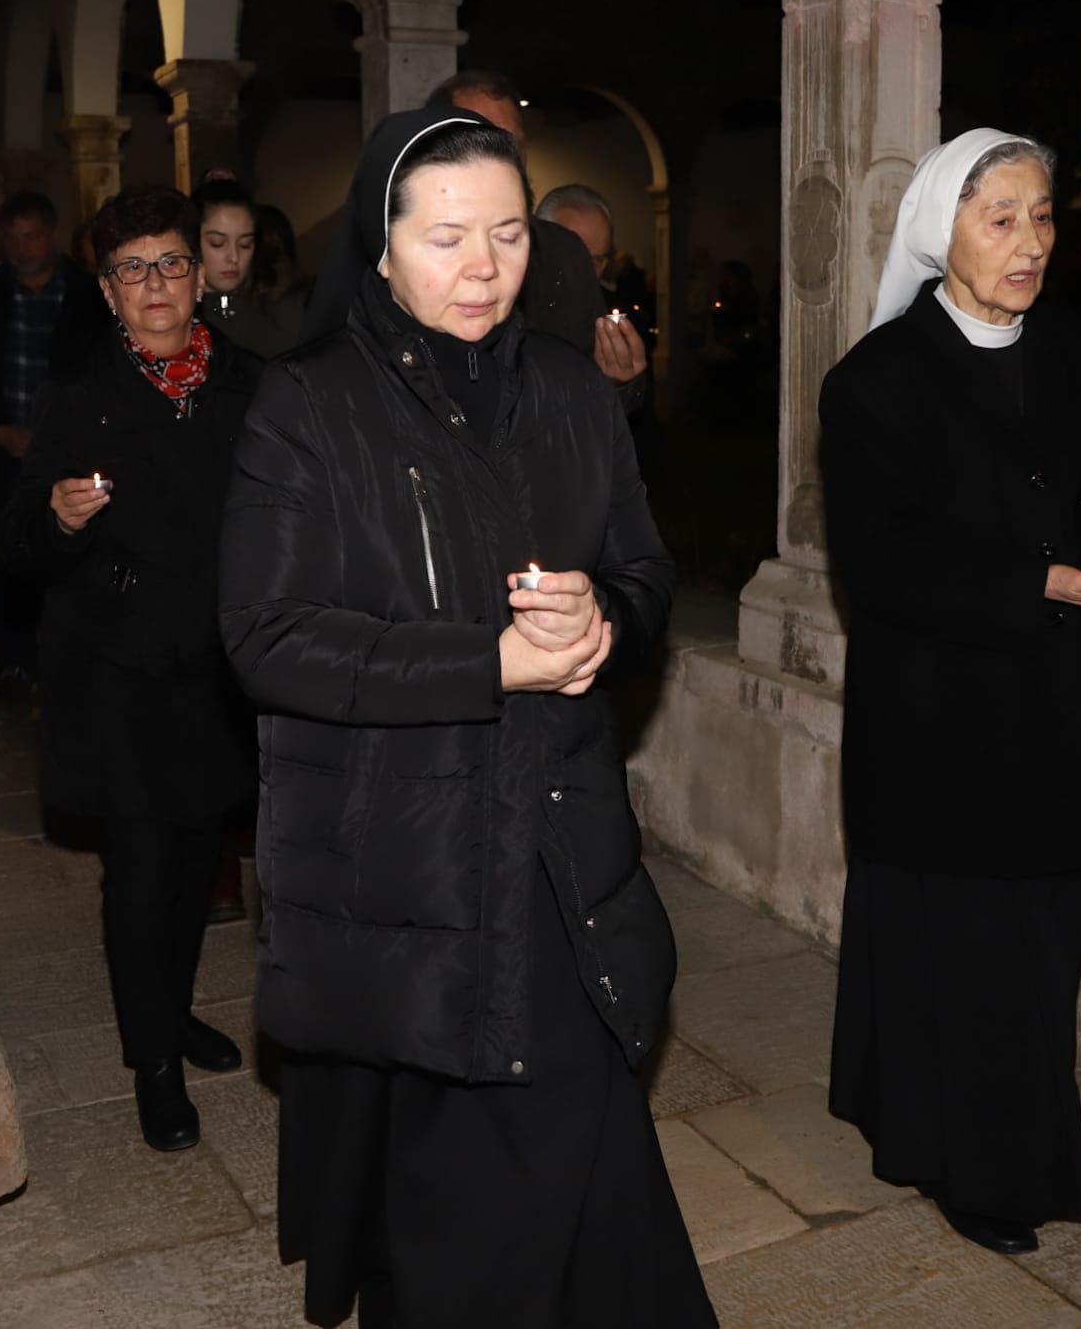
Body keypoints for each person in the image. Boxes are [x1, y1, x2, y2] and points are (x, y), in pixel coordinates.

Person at [220, 107, 714, 1329]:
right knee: (465, 1171)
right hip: (408, 851)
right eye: (446, 238)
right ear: (381, 246)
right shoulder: (309, 404)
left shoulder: (571, 390)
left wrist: (606, 618)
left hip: (561, 833)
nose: (484, 267)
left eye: (506, 233)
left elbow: (646, 570)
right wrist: (487, 661)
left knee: (571, 1145)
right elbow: (266, 636)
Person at [821, 128, 1081, 1257]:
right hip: (944, 729)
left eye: (1043, 217)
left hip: (1063, 713)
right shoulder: (873, 383)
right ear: (944, 230)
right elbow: (880, 563)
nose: (1031, 243)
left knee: (1055, 928)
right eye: (1002, 218)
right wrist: (1041, 579)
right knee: (974, 957)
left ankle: (961, 1122)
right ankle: (981, 1170)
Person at [0, 186, 260, 1152]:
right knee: (143, 868)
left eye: (171, 262)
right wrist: (58, 519)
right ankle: (153, 1060)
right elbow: (17, 544)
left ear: (201, 274)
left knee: (197, 854)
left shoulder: (250, 383)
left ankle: (174, 1010)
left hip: (217, 666)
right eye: (133, 268)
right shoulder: (79, 393)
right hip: (120, 668)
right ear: (108, 291)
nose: (155, 283)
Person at [0, 190, 110, 703]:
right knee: (9, 560)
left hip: (69, 450)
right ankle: (15, 663)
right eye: (14, 238)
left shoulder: (88, 294)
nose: (23, 248)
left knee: (71, 559)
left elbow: (100, 372)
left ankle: (66, 662)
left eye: (32, 236)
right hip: (6, 450)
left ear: (52, 235)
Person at [425, 71, 651, 413]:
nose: (507, 160)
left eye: (513, 144)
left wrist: (620, 384)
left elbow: (595, 403)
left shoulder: (564, 253)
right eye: (485, 142)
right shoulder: (410, 255)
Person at [539, 181, 658, 474]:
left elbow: (640, 436)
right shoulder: (502, 313)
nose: (588, 271)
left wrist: (624, 388)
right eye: (575, 255)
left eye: (599, 259)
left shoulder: (619, 319)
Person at [192, 175, 305, 360]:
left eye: (245, 244)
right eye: (217, 243)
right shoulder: (177, 315)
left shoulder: (283, 306)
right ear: (193, 242)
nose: (234, 257)